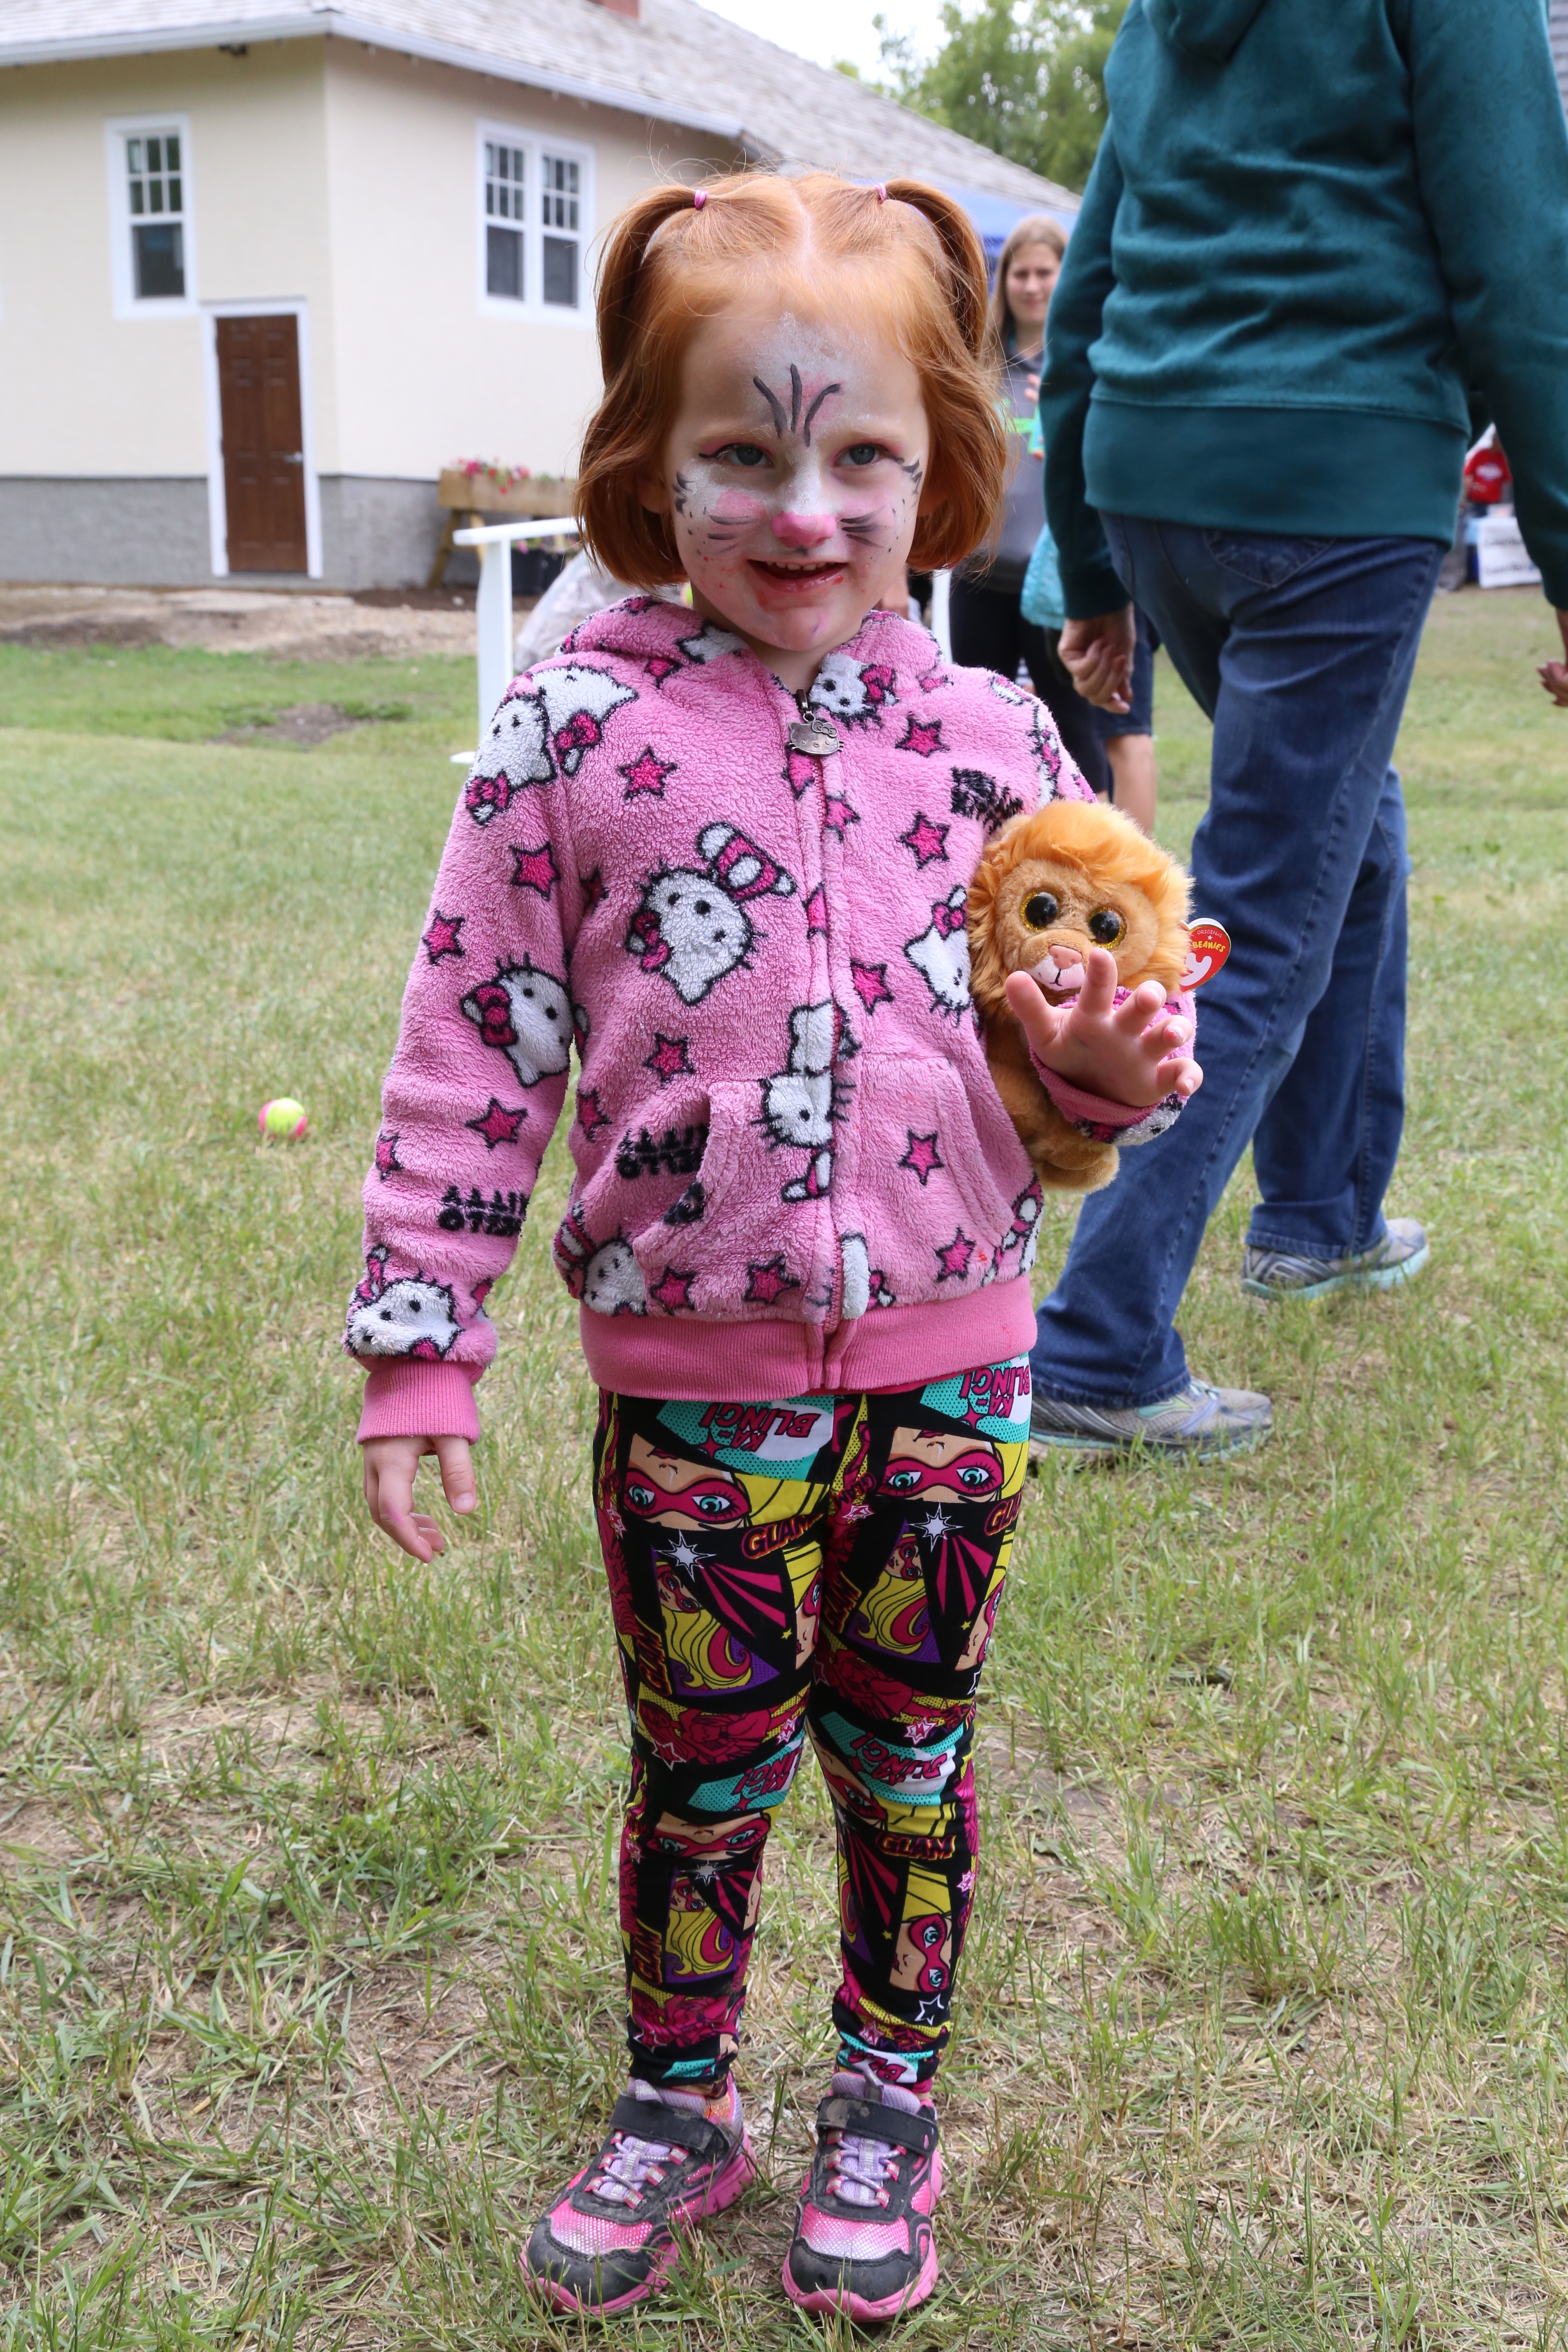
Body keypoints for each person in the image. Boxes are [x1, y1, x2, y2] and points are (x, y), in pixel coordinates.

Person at [346, 172, 1200, 2323]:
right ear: (651, 464)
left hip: (956, 1370)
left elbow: (1073, 1069)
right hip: (691, 1394)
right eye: (741, 451)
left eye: (860, 457)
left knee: (909, 1752)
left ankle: (887, 2099)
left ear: (941, 463)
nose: (803, 511)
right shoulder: (572, 732)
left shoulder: (1001, 748)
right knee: (704, 1761)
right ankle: (681, 2094)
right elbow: (472, 1038)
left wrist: (1106, 1075)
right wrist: (421, 1339)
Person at [1031, 0, 1568, 1461]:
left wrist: (1089, 561)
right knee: (1268, 906)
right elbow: (1521, 267)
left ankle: (1321, 1213)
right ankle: (1097, 1345)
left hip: (1153, 471)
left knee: (1345, 823)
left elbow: (1088, 284)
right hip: (1337, 470)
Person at [948, 215, 1159, 827]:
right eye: (1021, 273)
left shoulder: (1085, 367)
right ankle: (993, 855)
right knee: (980, 733)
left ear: (1067, 278)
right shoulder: (977, 364)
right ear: (1004, 281)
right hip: (980, 577)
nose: (1033, 285)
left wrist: (1074, 419)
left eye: (1046, 272)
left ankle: (1095, 857)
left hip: (1056, 588)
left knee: (1075, 736)